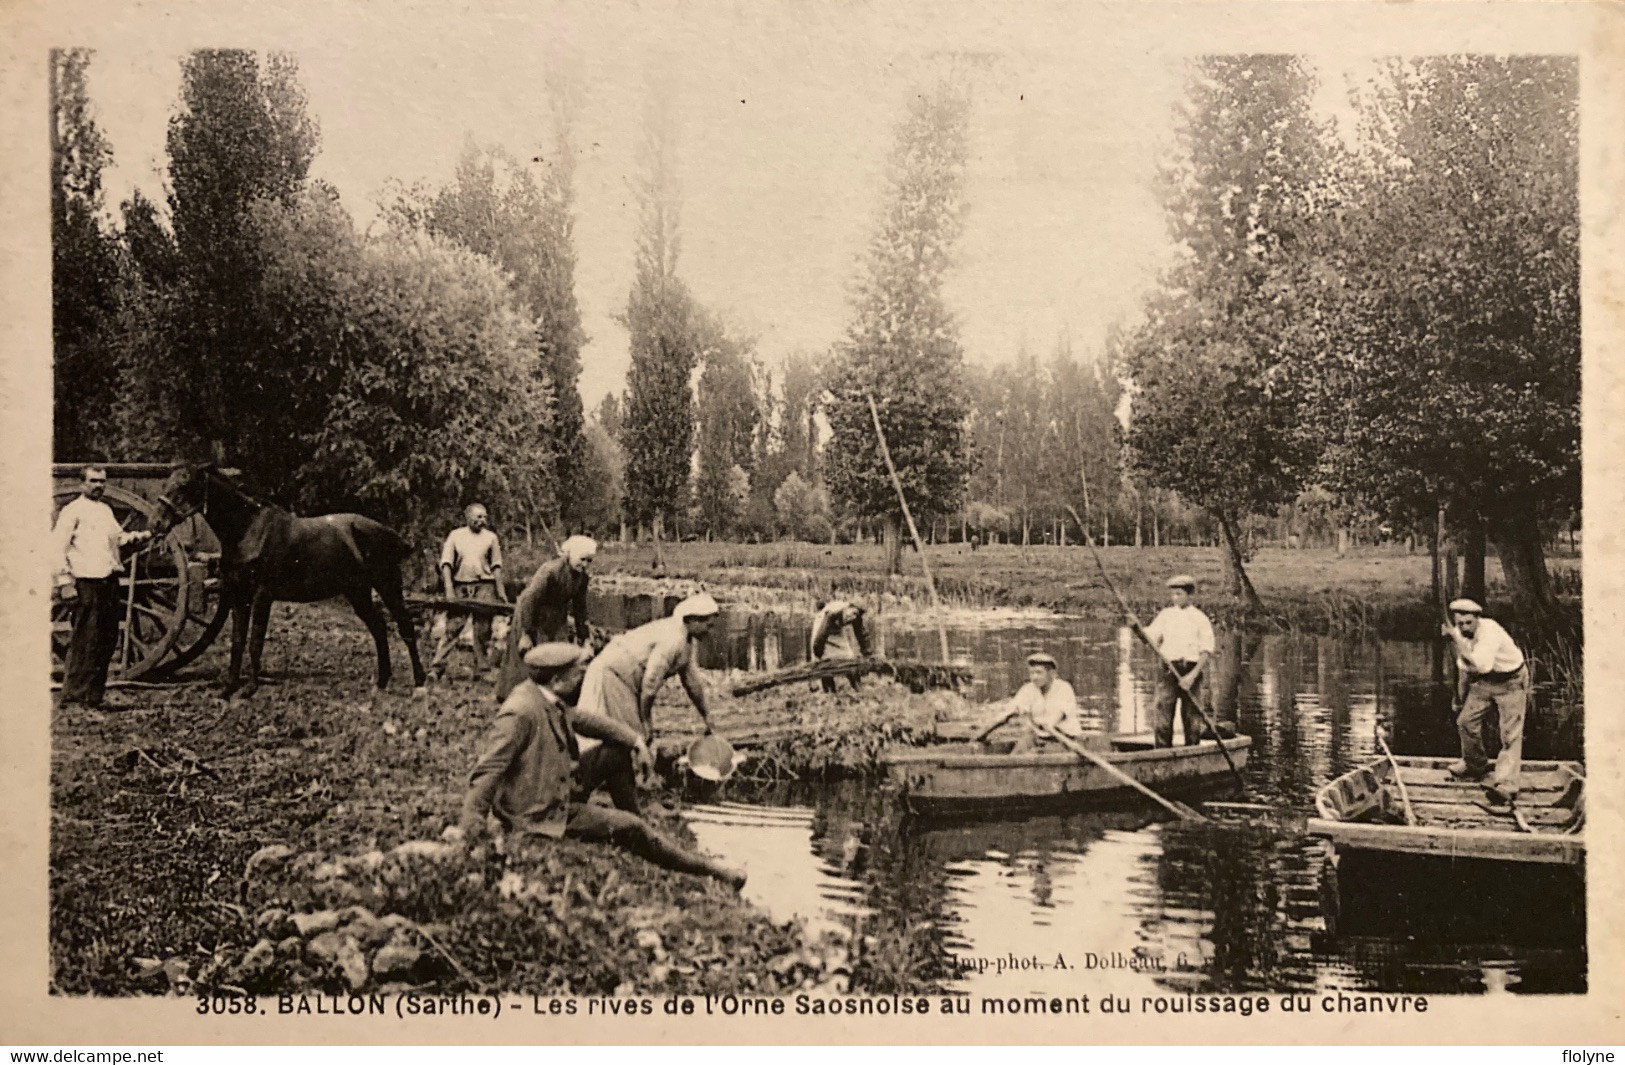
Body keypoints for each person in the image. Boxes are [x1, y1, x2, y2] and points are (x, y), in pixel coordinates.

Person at [453, 642, 745, 888]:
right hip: (541, 811)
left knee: (617, 753)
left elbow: (585, 721)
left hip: (557, 785)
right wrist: (472, 831)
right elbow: (488, 771)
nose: (584, 677)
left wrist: (635, 740)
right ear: (557, 680)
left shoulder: (546, 696)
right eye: (579, 673)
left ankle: (636, 823)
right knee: (631, 828)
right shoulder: (520, 713)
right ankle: (711, 870)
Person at [575, 593, 721, 814]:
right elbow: (650, 684)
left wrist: (707, 715)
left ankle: (625, 800)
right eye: (707, 626)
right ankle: (590, 794)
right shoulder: (672, 639)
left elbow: (692, 682)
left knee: (625, 740)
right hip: (612, 675)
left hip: (622, 680)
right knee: (630, 737)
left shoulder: (685, 640)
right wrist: (646, 720)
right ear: (693, 620)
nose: (709, 632)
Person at [52, 466, 152, 708]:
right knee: (85, 639)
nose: (98, 486)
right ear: (82, 484)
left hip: (108, 582)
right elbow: (55, 549)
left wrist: (140, 537)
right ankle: (74, 698)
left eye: (102, 482)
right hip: (85, 582)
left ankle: (94, 697)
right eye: (93, 481)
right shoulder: (72, 511)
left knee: (107, 640)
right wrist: (65, 583)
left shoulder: (106, 510)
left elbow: (119, 538)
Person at [1442, 598, 1528, 804]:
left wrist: (1456, 639)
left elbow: (1481, 666)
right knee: (1465, 721)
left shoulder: (1489, 634)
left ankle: (1507, 785)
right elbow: (1464, 671)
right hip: (1485, 681)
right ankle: (1475, 764)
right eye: (1459, 623)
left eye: (1468, 623)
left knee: (1510, 733)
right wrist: (1459, 699)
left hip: (1511, 681)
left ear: (1478, 619)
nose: (1463, 627)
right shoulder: (1460, 633)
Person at [496, 535, 597, 700]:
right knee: (526, 654)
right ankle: (513, 695)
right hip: (532, 612)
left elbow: (580, 609)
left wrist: (585, 637)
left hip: (557, 615)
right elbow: (530, 599)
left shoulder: (582, 578)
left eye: (589, 561)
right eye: (582, 559)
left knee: (558, 652)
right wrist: (526, 633)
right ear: (570, 555)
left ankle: (552, 693)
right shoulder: (550, 571)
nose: (584, 564)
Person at [1138, 574, 1215, 748]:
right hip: (1168, 670)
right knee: (1163, 710)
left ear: (1190, 595)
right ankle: (1162, 751)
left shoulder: (1199, 618)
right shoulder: (1166, 615)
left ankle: (1192, 751)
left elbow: (1206, 650)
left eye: (1179, 594)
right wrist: (1137, 629)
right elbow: (1149, 638)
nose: (1175, 598)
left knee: (1191, 716)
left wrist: (1192, 677)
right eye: (1173, 594)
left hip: (1191, 670)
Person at [431, 504, 506, 679]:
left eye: (485, 517)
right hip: (460, 585)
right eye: (479, 517)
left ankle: (482, 670)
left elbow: (496, 566)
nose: (483, 521)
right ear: (468, 517)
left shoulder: (491, 538)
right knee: (453, 627)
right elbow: (446, 564)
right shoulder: (456, 535)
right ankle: (436, 669)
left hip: (485, 585)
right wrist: (449, 589)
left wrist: (500, 591)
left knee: (482, 629)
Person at [972, 652, 1082, 751]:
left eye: (1039, 673)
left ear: (1052, 674)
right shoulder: (1028, 689)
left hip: (1064, 739)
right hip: (1037, 736)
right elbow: (1007, 715)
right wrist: (983, 733)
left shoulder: (1064, 688)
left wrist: (1048, 724)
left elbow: (1059, 716)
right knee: (1017, 753)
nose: (1034, 677)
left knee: (1038, 752)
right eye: (1032, 673)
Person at [810, 598, 873, 692]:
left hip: (837, 629)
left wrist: (867, 653)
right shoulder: (832, 613)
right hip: (822, 626)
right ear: (848, 608)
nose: (853, 617)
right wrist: (818, 655)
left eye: (857, 615)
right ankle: (829, 691)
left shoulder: (855, 615)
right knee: (825, 661)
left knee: (849, 657)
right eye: (853, 613)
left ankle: (858, 688)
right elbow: (820, 637)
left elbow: (861, 634)